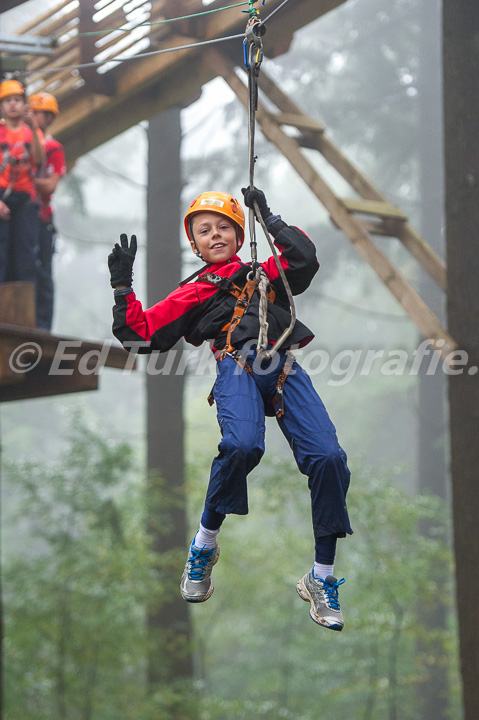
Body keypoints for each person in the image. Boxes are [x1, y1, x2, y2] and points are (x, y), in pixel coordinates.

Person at [108, 189, 352, 631]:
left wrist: (269, 218)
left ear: (240, 235)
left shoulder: (264, 274)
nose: (215, 234)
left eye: (224, 227)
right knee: (241, 445)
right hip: (236, 365)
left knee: (330, 458)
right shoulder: (195, 291)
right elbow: (137, 334)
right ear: (195, 244)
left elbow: (305, 260)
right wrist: (122, 286)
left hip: (281, 367)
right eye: (204, 230)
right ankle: (204, 545)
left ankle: (322, 577)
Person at [0, 79, 44, 291]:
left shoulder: (31, 132)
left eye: (17, 100)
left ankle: (23, 310)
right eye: (8, 100)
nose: (13, 104)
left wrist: (34, 129)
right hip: (2, 197)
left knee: (24, 255)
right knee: (1, 254)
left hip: (24, 198)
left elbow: (38, 158)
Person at [28, 92, 66, 331]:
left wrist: (23, 180)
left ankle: (42, 326)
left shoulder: (52, 147)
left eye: (36, 112)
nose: (30, 116)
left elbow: (50, 184)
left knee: (41, 272)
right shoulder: (19, 141)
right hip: (23, 218)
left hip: (41, 219)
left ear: (47, 116)